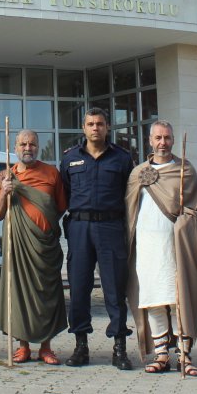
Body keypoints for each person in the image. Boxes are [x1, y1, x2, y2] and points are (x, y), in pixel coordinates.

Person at [126, 120, 197, 376]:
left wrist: (184, 222)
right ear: (150, 140)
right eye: (158, 138)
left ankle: (184, 355)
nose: (163, 143)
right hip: (147, 247)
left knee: (179, 299)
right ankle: (161, 354)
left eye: (167, 138)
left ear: (172, 140)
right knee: (154, 300)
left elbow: (194, 207)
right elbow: (129, 209)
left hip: (176, 246)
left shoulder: (185, 170)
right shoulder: (138, 173)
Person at [61, 107, 135, 370]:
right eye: (91, 124)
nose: (95, 128)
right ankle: (81, 346)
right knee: (79, 288)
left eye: (100, 124)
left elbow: (131, 194)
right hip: (80, 227)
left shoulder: (122, 159)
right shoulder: (70, 159)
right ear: (84, 128)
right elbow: (65, 192)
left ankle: (119, 347)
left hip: (111, 227)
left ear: (107, 128)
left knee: (114, 289)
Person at [0, 129, 68, 364]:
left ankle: (46, 347)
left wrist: (43, 225)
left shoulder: (51, 173)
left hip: (44, 246)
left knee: (48, 295)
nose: (28, 148)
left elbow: (59, 207)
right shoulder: (7, 177)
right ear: (15, 148)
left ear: (38, 147)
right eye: (23, 144)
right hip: (19, 247)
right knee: (19, 294)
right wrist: (4, 193)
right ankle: (23, 346)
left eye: (32, 144)